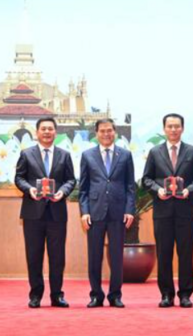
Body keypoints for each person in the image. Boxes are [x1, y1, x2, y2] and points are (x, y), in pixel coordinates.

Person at [141, 113, 193, 308]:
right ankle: (166, 295)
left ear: (182, 128)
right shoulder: (155, 152)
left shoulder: (192, 152)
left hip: (186, 211)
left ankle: (185, 294)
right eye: (169, 126)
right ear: (164, 129)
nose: (173, 130)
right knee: (164, 254)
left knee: (186, 254)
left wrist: (189, 190)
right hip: (162, 212)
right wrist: (158, 190)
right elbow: (146, 179)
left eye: (177, 126)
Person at [14, 117, 76, 308]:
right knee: (34, 256)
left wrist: (62, 192)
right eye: (43, 129)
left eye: (50, 129)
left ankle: (57, 295)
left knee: (57, 257)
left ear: (55, 132)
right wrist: (29, 189)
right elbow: (19, 178)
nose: (47, 132)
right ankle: (35, 295)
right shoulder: (26, 154)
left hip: (57, 213)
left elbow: (71, 180)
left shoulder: (64, 155)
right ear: (37, 132)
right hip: (33, 213)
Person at [79, 119, 136, 308]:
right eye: (102, 131)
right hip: (94, 213)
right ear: (96, 133)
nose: (106, 134)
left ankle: (115, 295)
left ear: (115, 132)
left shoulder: (125, 155)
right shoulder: (87, 155)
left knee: (116, 256)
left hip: (118, 212)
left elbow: (130, 186)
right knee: (94, 256)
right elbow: (84, 189)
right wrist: (84, 212)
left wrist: (129, 210)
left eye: (109, 130)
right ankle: (96, 295)